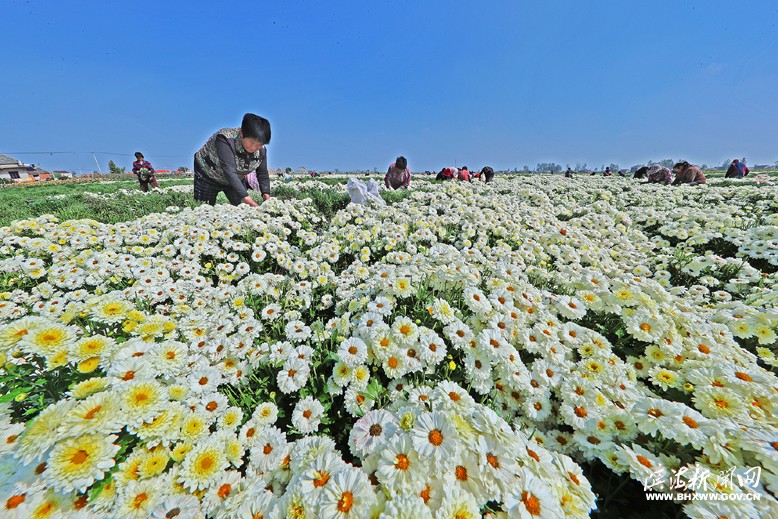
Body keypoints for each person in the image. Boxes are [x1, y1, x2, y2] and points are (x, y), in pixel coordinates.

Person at [193, 113, 271, 207]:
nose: (254, 147)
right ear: (242, 133)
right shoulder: (225, 138)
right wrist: (251, 202)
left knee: (243, 209)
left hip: (235, 179)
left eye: (259, 144)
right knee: (204, 209)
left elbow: (262, 174)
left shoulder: (261, 150)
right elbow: (229, 170)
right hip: (208, 175)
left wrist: (268, 201)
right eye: (251, 142)